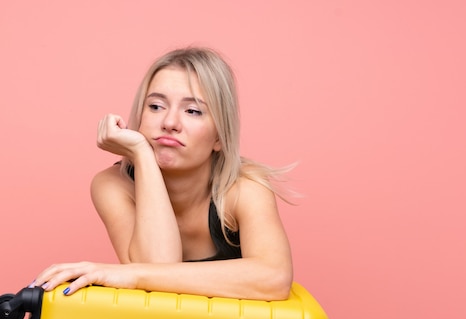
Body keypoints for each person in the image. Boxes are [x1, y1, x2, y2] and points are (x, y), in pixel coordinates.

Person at [31, 47, 294, 301]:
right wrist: (142, 153)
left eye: (192, 111)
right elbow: (157, 269)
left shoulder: (245, 189)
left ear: (219, 137)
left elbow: (274, 278)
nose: (169, 123)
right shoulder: (113, 184)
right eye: (156, 106)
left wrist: (125, 274)